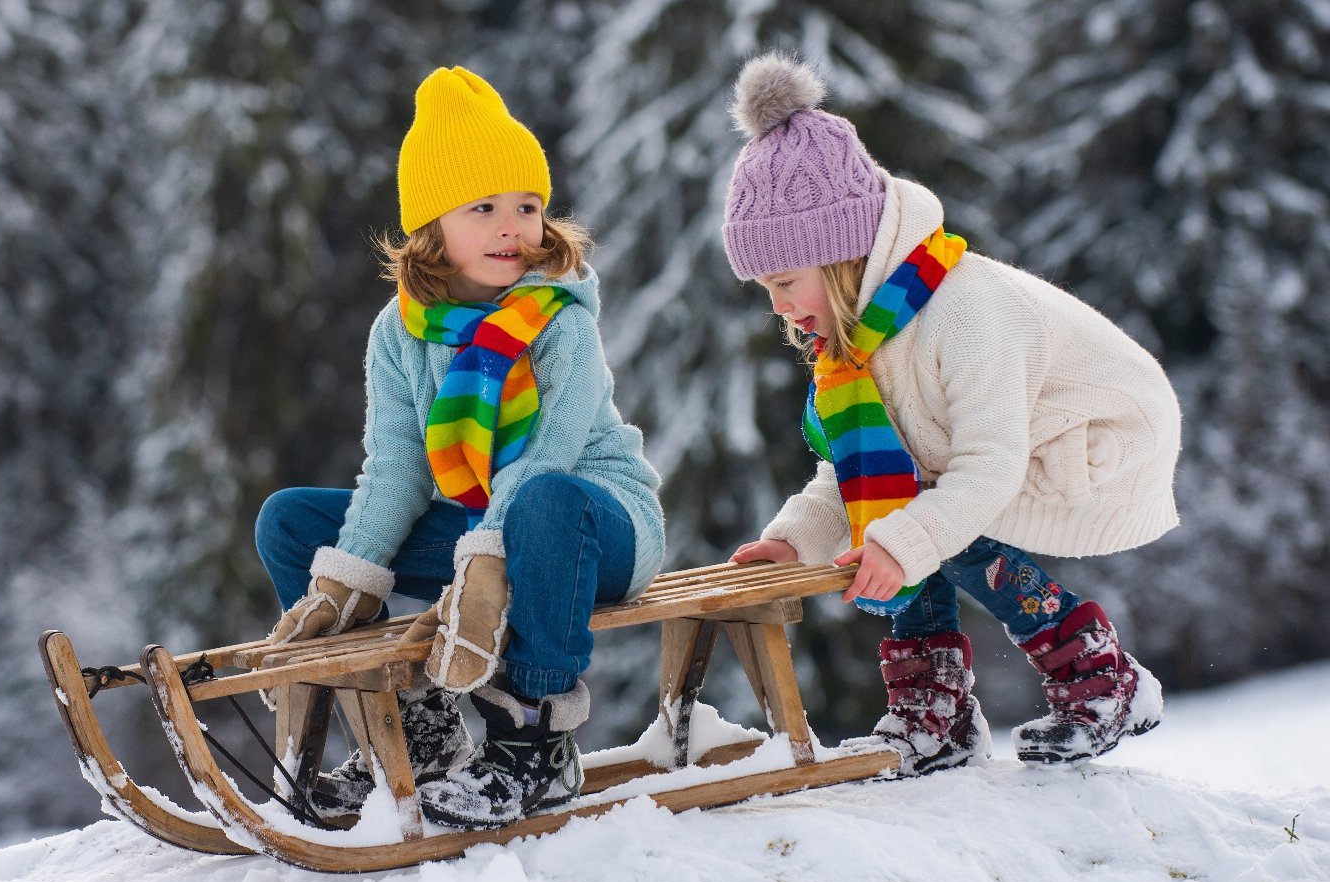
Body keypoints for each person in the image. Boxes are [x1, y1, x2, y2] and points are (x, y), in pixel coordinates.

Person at [721, 51, 1179, 775]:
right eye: (764, 287)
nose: (776, 305)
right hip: (999, 448)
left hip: (1092, 436)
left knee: (931, 528)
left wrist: (905, 539)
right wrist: (794, 539)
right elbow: (857, 470)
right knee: (905, 515)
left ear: (842, 257)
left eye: (784, 280)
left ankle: (1102, 678)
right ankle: (935, 715)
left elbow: (989, 465)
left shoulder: (962, 314)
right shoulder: (863, 338)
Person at [254, 66, 665, 826]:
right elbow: (398, 471)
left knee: (542, 498)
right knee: (291, 521)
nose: (514, 225)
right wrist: (347, 579)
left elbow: (547, 456)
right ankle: (416, 723)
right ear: (432, 226)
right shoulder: (399, 332)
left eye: (528, 206)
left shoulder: (557, 317)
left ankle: (534, 742)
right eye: (484, 208)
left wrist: (485, 558)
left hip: (592, 527)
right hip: (480, 533)